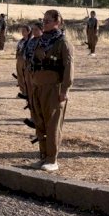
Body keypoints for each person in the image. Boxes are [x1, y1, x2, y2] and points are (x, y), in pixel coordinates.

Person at [26, 10, 74, 172]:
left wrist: (65, 90)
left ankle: (52, 159)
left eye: (47, 21)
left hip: (54, 88)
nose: (44, 23)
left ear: (57, 22)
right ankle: (43, 157)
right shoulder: (40, 41)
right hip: (37, 86)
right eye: (43, 20)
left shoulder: (62, 42)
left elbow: (68, 67)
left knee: (52, 124)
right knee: (39, 123)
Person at [15, 24, 31, 100]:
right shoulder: (21, 41)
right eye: (22, 31)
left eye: (24, 31)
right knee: (20, 76)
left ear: (28, 32)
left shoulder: (31, 41)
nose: (22, 32)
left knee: (27, 77)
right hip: (20, 59)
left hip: (27, 60)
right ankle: (23, 92)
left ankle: (28, 92)